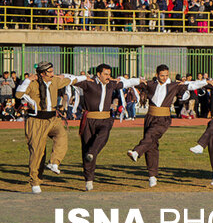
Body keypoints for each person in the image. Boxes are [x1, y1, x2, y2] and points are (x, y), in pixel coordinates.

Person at [126, 65, 209, 187]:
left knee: (151, 135)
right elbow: (130, 83)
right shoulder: (150, 84)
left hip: (163, 119)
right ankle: (152, 176)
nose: (164, 78)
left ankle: (137, 152)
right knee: (151, 145)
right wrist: (121, 80)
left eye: (166, 75)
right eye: (162, 75)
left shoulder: (174, 86)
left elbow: (192, 85)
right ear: (157, 74)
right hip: (150, 117)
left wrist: (205, 82)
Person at [67, 64, 141, 191]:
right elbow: (69, 79)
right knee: (86, 148)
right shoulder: (88, 83)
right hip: (89, 119)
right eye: (106, 74)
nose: (108, 77)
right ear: (98, 74)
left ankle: (92, 152)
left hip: (106, 119)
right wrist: (82, 77)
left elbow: (127, 83)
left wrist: (140, 80)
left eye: (109, 74)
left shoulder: (111, 84)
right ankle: (89, 179)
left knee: (102, 137)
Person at [15, 62, 73, 193]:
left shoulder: (55, 81)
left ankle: (54, 162)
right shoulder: (32, 83)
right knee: (38, 152)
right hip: (36, 120)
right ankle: (35, 181)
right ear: (42, 74)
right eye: (50, 72)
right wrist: (27, 80)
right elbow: (19, 95)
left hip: (52, 118)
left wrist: (85, 78)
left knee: (62, 135)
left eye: (53, 71)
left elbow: (72, 79)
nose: (53, 74)